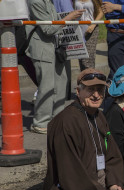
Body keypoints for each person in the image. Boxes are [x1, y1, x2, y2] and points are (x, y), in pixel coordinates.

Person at [41, 68, 124, 190]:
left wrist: (114, 185)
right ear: (78, 91)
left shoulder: (99, 115)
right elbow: (71, 174)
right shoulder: (66, 122)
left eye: (100, 90)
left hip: (100, 189)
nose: (96, 95)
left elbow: (112, 155)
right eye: (91, 89)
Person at [26, 0, 85, 134]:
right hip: (42, 48)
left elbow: (55, 21)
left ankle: (57, 119)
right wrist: (69, 17)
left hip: (54, 47)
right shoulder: (36, 2)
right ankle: (41, 122)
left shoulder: (49, 1)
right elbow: (49, 28)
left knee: (61, 82)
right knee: (47, 86)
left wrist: (68, 17)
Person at [75, 0, 104, 71]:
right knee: (81, 57)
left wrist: (93, 25)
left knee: (88, 58)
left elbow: (101, 11)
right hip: (78, 29)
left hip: (91, 29)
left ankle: (91, 77)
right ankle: (83, 78)